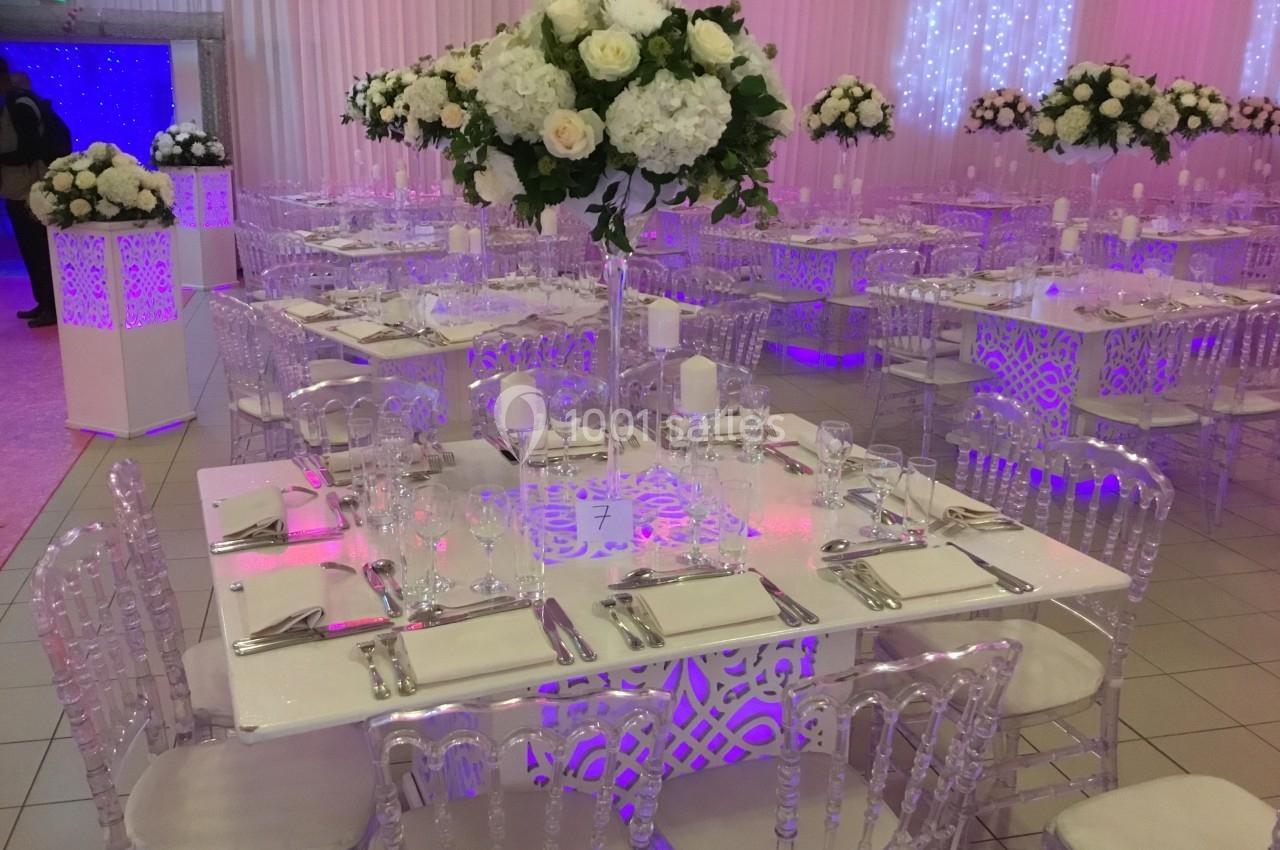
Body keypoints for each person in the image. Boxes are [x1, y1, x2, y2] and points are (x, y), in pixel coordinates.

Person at [0, 58, 56, 328]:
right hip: (17, 189)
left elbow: (31, 149)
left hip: (29, 191)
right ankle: (43, 302)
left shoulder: (19, 106)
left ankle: (51, 306)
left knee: (39, 250)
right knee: (30, 251)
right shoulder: (13, 104)